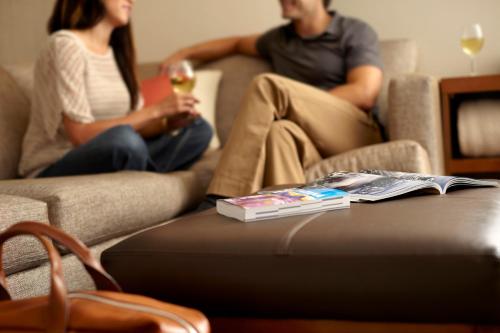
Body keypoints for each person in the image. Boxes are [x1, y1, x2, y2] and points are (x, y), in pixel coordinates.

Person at [161, 0, 383, 202]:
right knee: (279, 131)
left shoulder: (354, 31)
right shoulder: (278, 40)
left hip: (352, 130)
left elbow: (364, 92)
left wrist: (294, 101)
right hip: (307, 140)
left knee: (267, 85)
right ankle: (290, 221)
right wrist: (184, 53)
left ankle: (223, 195)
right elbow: (236, 44)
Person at [19, 0, 212, 178]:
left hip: (117, 150)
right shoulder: (65, 45)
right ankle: (147, 174)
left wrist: (168, 124)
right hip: (57, 162)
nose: (131, 1)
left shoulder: (119, 54)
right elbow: (79, 135)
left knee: (199, 129)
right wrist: (157, 110)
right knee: (125, 140)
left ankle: (141, 172)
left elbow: (137, 127)